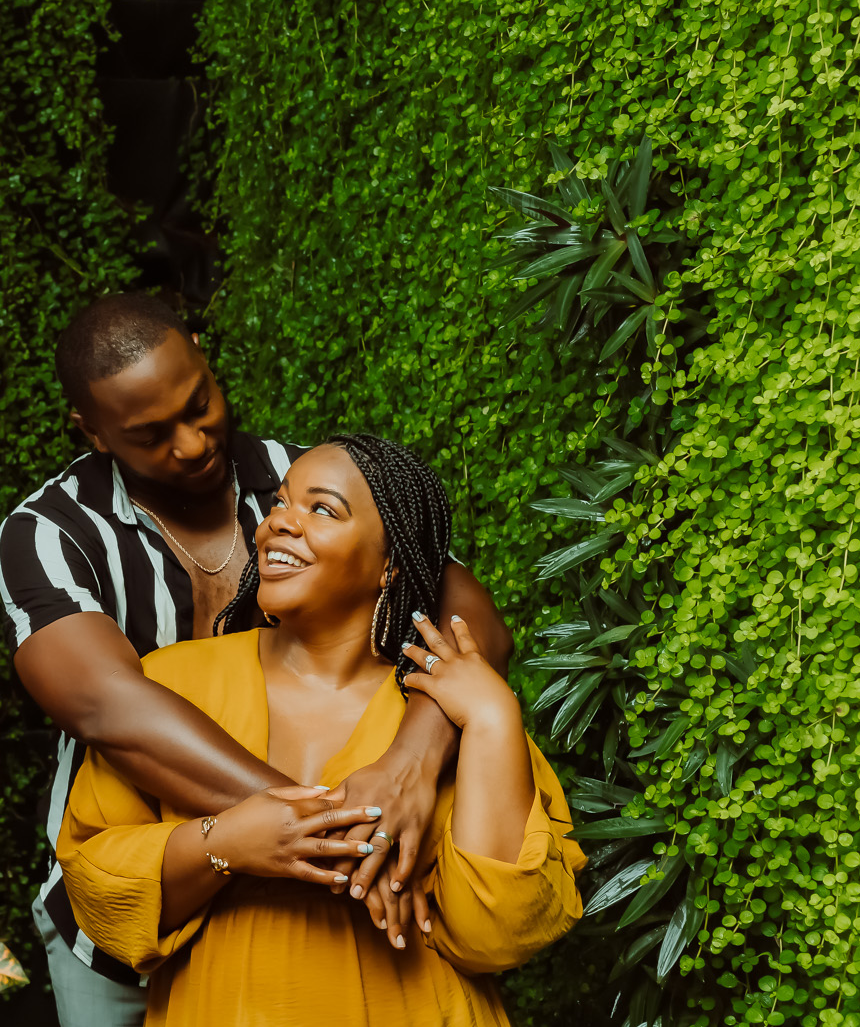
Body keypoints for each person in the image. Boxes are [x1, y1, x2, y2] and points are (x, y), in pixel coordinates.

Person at [0, 295, 516, 1026]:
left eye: (199, 404)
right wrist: (343, 840)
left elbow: (472, 618)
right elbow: (109, 707)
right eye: (150, 435)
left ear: (204, 354)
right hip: (131, 914)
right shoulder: (51, 532)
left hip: (337, 942)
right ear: (92, 430)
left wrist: (412, 757)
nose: (191, 441)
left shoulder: (298, 481)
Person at [56, 435, 583, 1025]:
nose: (280, 523)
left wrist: (492, 717)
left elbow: (499, 934)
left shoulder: (447, 714)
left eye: (322, 509)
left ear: (389, 565)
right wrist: (225, 845)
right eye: (280, 503)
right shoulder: (173, 682)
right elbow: (97, 892)